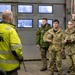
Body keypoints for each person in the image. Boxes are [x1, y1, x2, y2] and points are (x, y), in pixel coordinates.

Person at [0, 10, 23, 75]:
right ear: (10, 18)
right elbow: (16, 49)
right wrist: (20, 58)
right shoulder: (11, 30)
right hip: (10, 68)